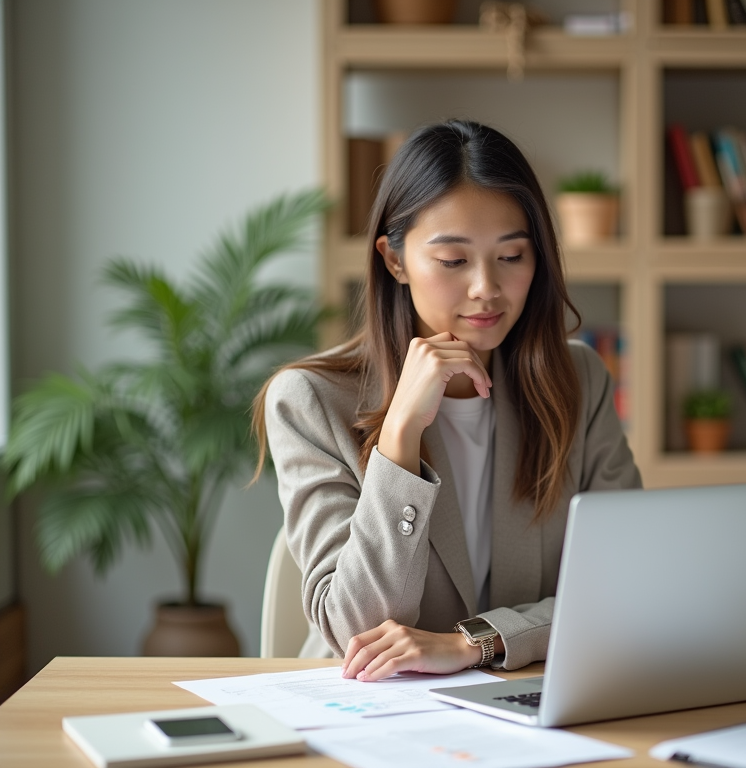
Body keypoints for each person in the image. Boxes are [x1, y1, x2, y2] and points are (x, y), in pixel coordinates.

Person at [251, 119, 641, 682]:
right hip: (367, 710)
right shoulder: (311, 401)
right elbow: (355, 630)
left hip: (526, 697)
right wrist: (399, 439)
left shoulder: (579, 380)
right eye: (454, 261)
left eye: (512, 256)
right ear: (394, 260)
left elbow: (626, 590)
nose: (486, 287)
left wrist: (475, 643)